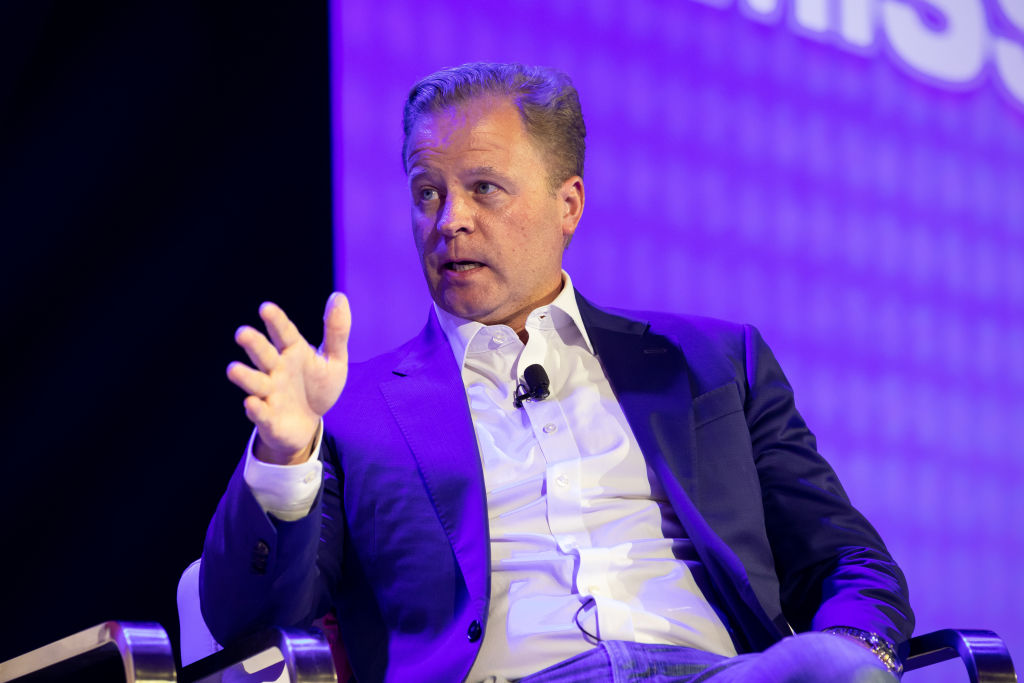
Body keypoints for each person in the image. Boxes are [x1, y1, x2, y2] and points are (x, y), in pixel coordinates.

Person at [201, 63, 913, 683]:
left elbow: (849, 559)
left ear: (567, 204)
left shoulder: (714, 363)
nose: (450, 221)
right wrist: (285, 457)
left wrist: (859, 649)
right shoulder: (353, 407)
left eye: (484, 188)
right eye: (427, 193)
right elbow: (250, 623)